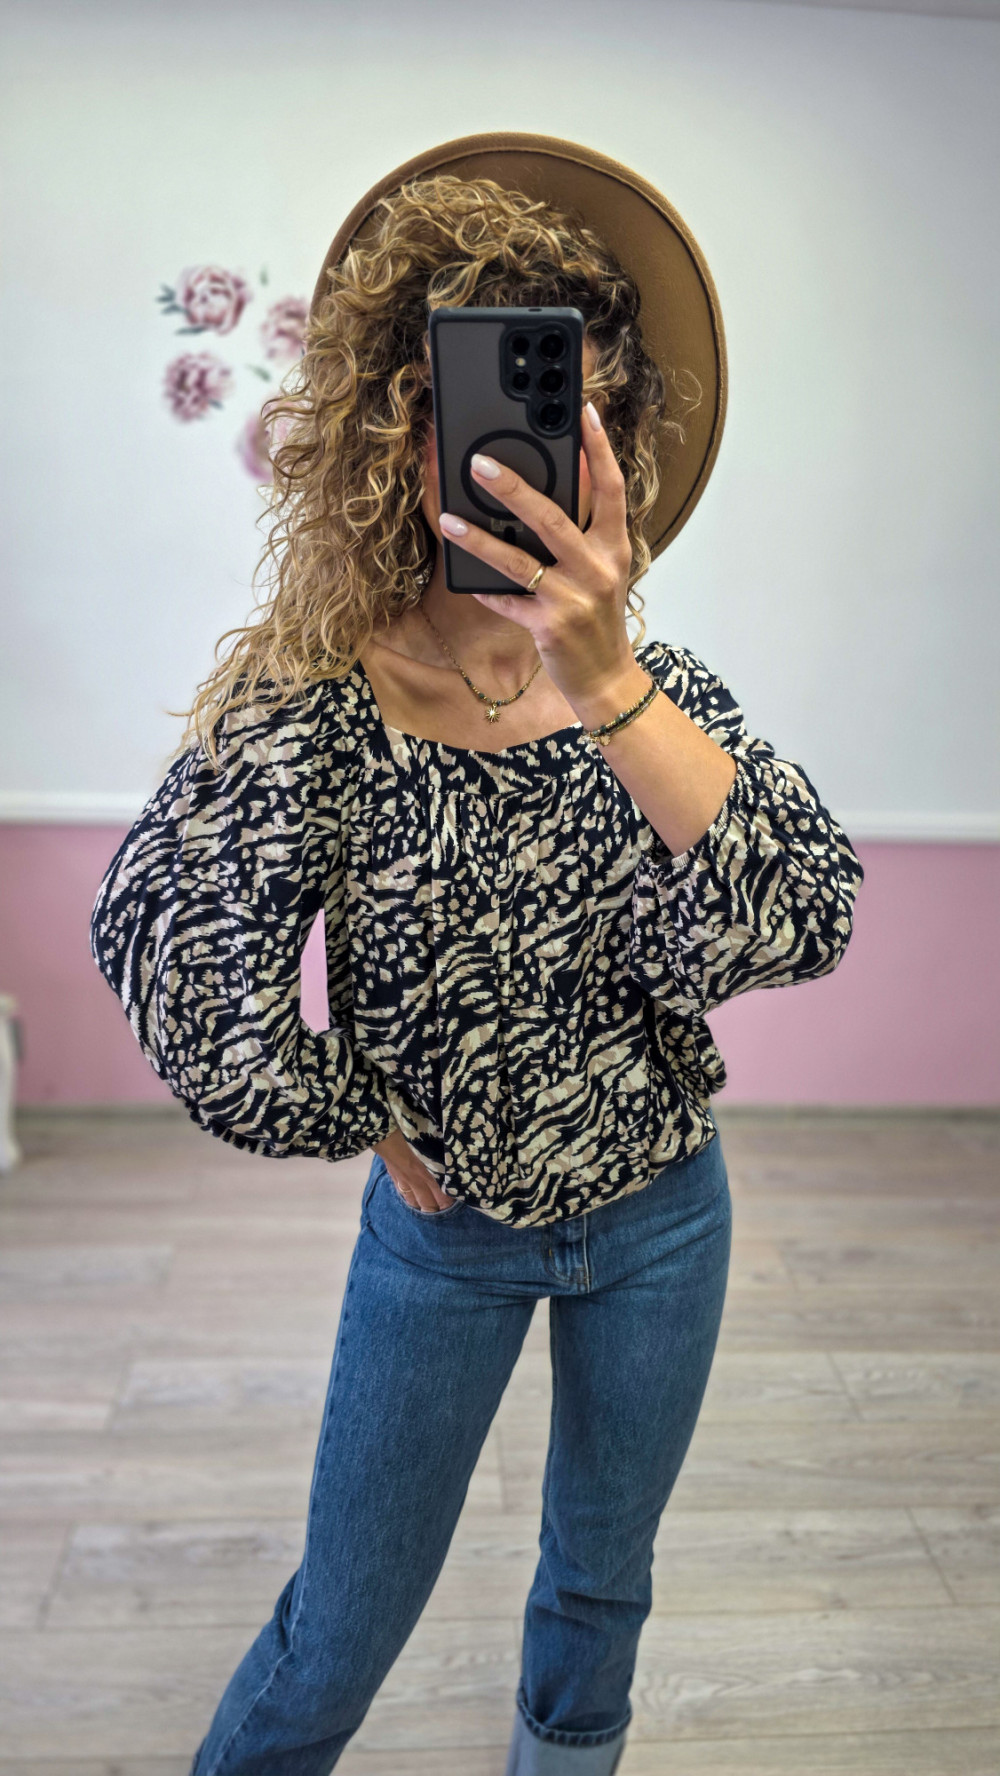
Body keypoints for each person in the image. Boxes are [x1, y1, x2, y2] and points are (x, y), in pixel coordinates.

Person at [91, 134, 864, 1776]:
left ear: (616, 444)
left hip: (667, 1216)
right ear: (400, 428)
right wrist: (356, 1103)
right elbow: (183, 972)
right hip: (444, 1240)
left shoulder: (654, 692)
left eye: (574, 414)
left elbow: (809, 912)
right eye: (482, 409)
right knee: (339, 1630)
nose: (527, 461)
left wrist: (606, 678)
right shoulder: (318, 708)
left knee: (600, 1596)